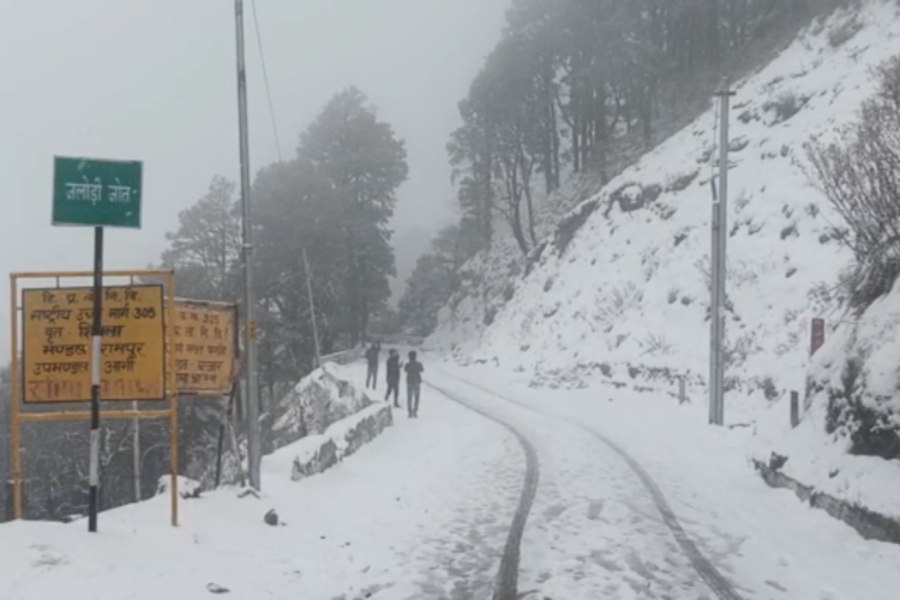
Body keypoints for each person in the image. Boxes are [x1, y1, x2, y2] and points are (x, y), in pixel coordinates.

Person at [404, 351, 424, 418]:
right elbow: (422, 370)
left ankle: (410, 412)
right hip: (417, 381)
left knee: (409, 398)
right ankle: (415, 411)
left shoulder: (407, 364)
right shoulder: (418, 364)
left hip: (409, 381)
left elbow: (405, 370)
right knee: (416, 397)